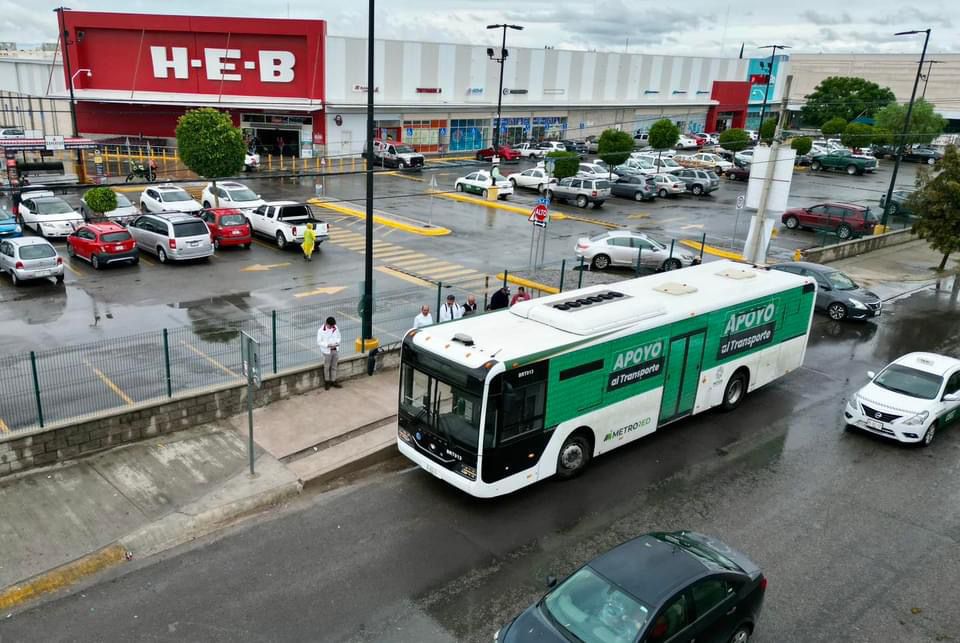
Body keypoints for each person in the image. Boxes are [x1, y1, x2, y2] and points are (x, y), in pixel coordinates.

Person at [316, 316, 341, 390]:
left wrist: (337, 342)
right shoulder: (320, 331)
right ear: (326, 324)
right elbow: (319, 342)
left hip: (335, 349)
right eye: (331, 326)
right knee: (326, 367)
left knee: (334, 366)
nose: (332, 327)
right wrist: (327, 345)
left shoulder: (335, 327)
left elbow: (339, 336)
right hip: (327, 351)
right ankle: (327, 382)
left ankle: (333, 381)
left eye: (333, 326)